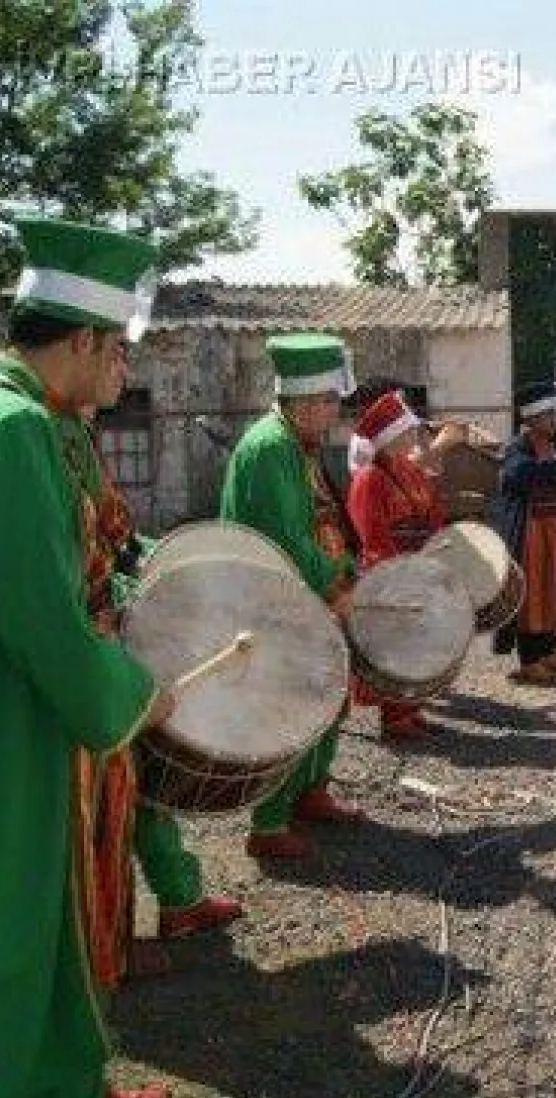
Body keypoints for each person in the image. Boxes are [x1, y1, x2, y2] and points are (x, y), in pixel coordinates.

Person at [0, 215, 179, 1098]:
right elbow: (43, 626)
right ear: (87, 338)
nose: (123, 372)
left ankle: (66, 1093)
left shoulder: (7, 414)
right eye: (120, 351)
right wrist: (136, 694)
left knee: (53, 914)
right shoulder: (13, 431)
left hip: (12, 715)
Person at [74, 349, 241, 988]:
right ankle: (104, 950)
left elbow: (119, 543)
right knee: (104, 808)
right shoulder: (42, 441)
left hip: (118, 646)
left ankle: (178, 899)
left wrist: (169, 563)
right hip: (94, 663)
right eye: (112, 351)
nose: (123, 366)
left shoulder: (79, 442)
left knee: (140, 786)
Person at [222, 333, 363, 860]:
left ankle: (310, 790)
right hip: (276, 600)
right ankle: (269, 822)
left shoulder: (295, 444)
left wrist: (345, 570)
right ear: (303, 402)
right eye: (329, 402)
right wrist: (334, 585)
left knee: (329, 698)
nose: (335, 412)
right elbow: (287, 541)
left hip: (307, 594)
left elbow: (320, 521)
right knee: (290, 706)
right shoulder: (270, 447)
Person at [345, 389, 447, 740]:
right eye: (406, 432)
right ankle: (394, 716)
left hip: (417, 564)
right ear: (390, 438)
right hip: (389, 571)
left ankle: (411, 707)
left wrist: (437, 551)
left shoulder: (410, 470)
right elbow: (371, 532)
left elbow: (433, 512)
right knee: (394, 647)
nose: (412, 437)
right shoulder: (369, 478)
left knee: (417, 644)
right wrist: (399, 573)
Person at [493, 380, 556, 684]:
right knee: (534, 595)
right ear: (530, 418)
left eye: (554, 415)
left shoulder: (553, 448)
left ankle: (548, 651)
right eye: (547, 415)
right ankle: (529, 659)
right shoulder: (516, 448)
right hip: (531, 534)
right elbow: (520, 476)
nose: (554, 421)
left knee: (555, 590)